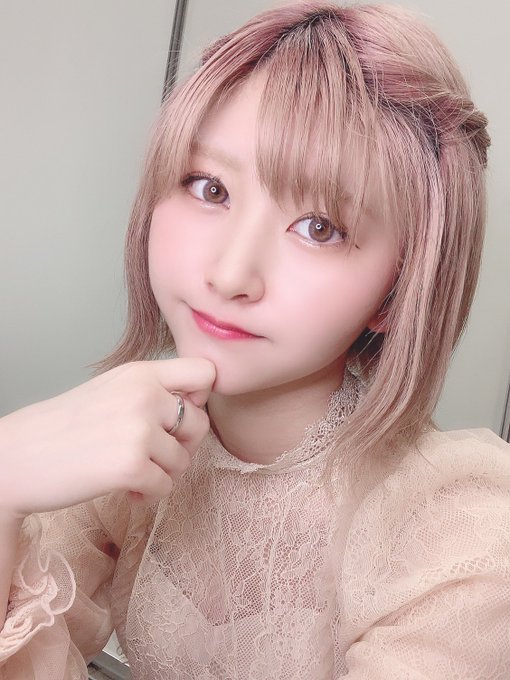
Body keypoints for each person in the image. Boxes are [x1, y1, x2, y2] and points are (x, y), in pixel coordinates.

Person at [1, 2, 509, 678]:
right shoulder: (134, 443)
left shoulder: (458, 526)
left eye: (320, 228)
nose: (230, 274)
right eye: (209, 188)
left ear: (397, 291)